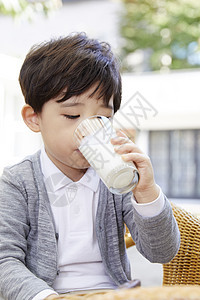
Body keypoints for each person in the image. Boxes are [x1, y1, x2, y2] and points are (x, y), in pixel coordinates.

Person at [0, 33, 180, 300]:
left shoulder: (116, 176)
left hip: (113, 294)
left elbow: (162, 252)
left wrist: (147, 194)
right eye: (72, 115)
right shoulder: (18, 182)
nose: (88, 132)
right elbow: (5, 260)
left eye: (103, 118)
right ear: (34, 118)